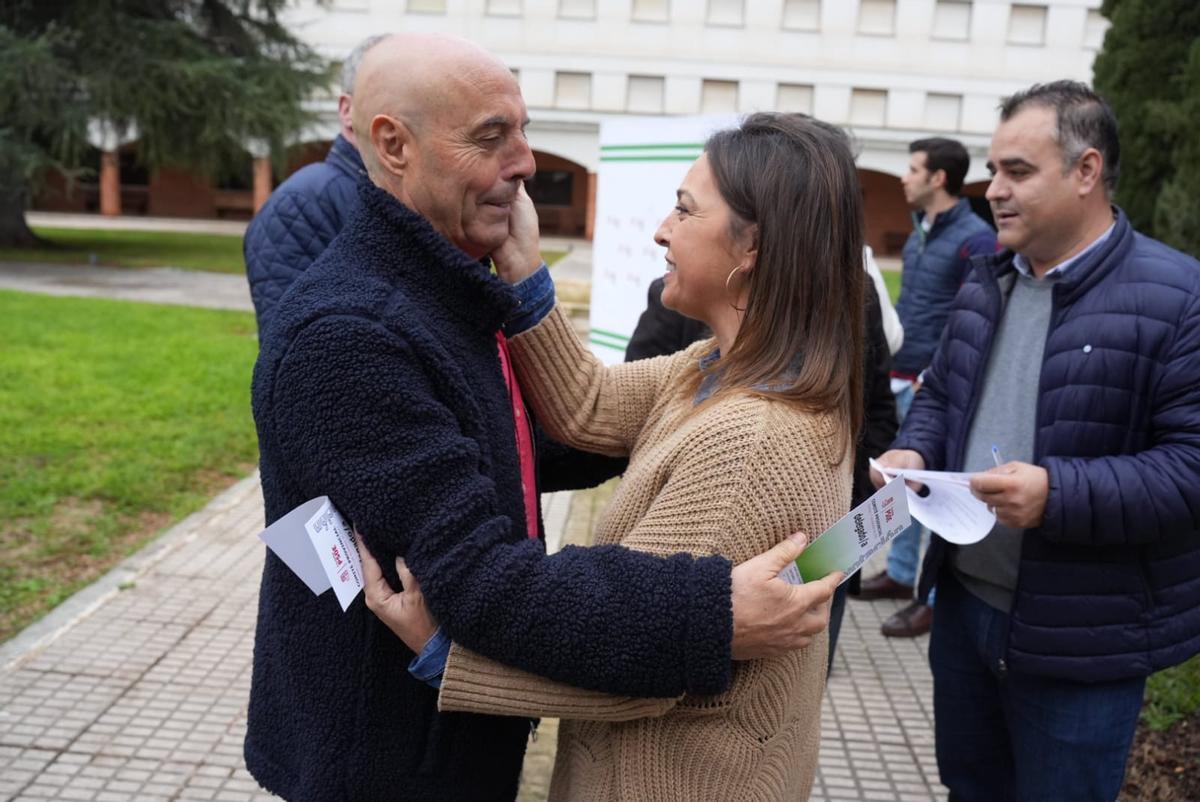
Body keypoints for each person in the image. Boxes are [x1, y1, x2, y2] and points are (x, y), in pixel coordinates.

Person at [246, 34, 843, 802]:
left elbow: (552, 426)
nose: (526, 162)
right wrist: (712, 613)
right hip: (389, 758)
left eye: (523, 131)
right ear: (394, 144)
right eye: (492, 137)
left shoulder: (443, 286)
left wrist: (525, 281)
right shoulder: (350, 335)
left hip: (448, 737)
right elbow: (485, 579)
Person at [363, 111, 864, 801]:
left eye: (685, 211)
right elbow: (590, 405)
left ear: (753, 249)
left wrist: (445, 650)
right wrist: (525, 270)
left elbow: (641, 663)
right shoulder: (720, 368)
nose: (661, 229)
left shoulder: (747, 441)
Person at [872, 81, 1200, 801]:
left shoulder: (1180, 298)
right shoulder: (987, 281)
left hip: (1083, 639)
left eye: (1018, 171)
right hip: (962, 611)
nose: (994, 191)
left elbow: (1189, 468)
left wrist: (1058, 494)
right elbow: (944, 395)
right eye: (994, 172)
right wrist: (916, 451)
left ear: (1086, 172)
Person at [624, 261, 897, 674]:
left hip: (824, 551)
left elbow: (876, 409)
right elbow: (638, 419)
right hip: (703, 573)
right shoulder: (682, 294)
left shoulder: (855, 296)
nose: (666, 232)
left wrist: (849, 505)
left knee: (795, 688)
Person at [858, 136, 997, 639]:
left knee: (934, 492)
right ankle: (899, 573)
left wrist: (934, 375)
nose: (903, 177)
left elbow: (976, 319)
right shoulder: (919, 232)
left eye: (913, 168)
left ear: (938, 177)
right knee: (903, 485)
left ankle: (931, 596)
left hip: (934, 383)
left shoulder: (976, 239)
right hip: (902, 372)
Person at [242, 34, 384, 331]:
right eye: (389, 95)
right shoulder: (298, 205)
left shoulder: (402, 197)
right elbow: (295, 344)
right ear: (347, 110)